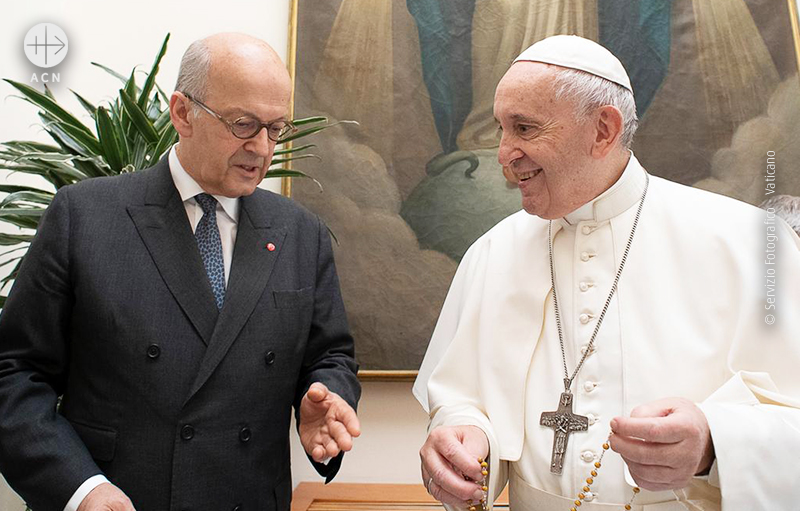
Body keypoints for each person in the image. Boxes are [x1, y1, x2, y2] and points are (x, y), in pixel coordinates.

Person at [414, 35, 800, 510]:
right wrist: (464, 439)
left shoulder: (748, 243)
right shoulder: (493, 252)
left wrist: (714, 446)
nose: (503, 153)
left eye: (524, 128)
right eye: (500, 129)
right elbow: (463, 398)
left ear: (602, 130)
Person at [0, 33, 361, 511]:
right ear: (182, 112)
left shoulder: (301, 231)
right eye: (243, 124)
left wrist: (327, 396)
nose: (262, 147)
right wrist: (81, 489)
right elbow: (14, 374)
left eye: (277, 128)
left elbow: (330, 354)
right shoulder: (84, 216)